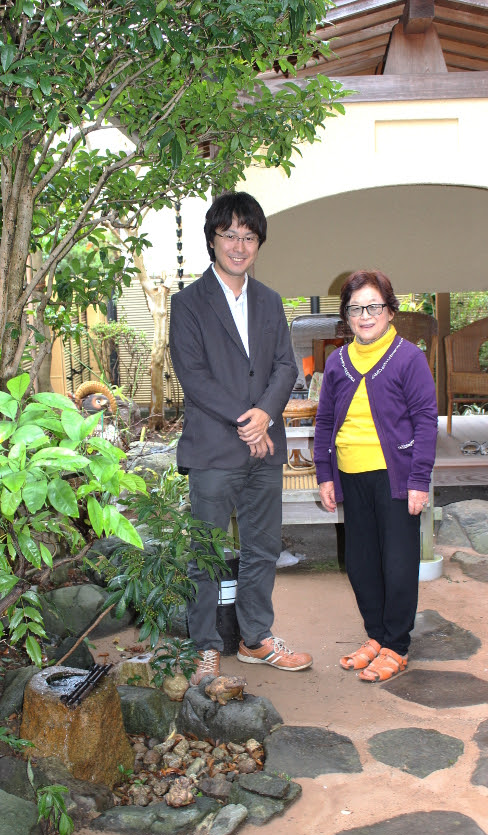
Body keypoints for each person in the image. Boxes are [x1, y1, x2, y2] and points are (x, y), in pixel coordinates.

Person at [169, 191, 313, 685]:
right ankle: (205, 647)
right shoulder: (188, 303)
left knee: (262, 548)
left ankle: (256, 638)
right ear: (212, 239)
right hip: (214, 449)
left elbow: (285, 366)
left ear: (258, 244)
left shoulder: (270, 301)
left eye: (248, 237)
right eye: (229, 235)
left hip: (264, 447)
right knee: (206, 554)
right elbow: (193, 375)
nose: (238, 245)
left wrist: (265, 414)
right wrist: (247, 421)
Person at [314, 270, 437, 682]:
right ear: (346, 316)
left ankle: (396, 646)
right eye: (355, 309)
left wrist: (419, 480)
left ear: (389, 310)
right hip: (351, 476)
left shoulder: (408, 357)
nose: (364, 316)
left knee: (398, 564)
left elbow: (425, 421)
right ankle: (376, 637)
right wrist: (325, 475)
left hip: (395, 478)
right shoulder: (337, 362)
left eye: (373, 307)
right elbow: (325, 421)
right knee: (361, 563)